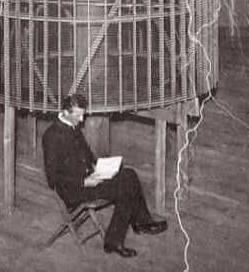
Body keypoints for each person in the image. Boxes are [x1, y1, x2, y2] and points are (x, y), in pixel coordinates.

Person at [42, 93, 167, 258]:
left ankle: (141, 222)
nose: (82, 120)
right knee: (125, 188)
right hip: (74, 189)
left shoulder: (72, 125)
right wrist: (84, 182)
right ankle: (114, 241)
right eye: (78, 115)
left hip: (90, 177)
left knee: (129, 174)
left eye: (83, 115)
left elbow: (86, 153)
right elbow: (53, 178)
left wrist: (98, 165)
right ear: (65, 112)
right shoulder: (51, 137)